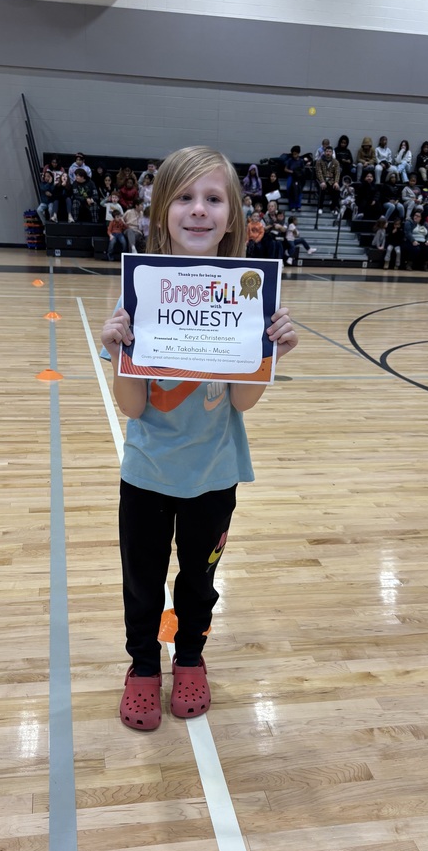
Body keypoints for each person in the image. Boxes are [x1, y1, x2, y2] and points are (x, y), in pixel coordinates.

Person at [100, 145, 298, 730]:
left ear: (232, 216)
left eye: (213, 198)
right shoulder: (139, 294)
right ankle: (143, 666)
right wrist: (117, 350)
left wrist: (268, 355)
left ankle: (189, 657)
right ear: (163, 210)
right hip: (147, 473)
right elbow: (133, 407)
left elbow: (240, 403)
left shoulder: (249, 296)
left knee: (199, 580)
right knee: (142, 583)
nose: (198, 210)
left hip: (214, 474)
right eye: (184, 197)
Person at [315, 145, 341, 213]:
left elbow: (337, 172)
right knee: (322, 188)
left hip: (331, 180)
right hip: (322, 179)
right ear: (324, 152)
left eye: (330, 151)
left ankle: (334, 208)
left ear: (332, 153)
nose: (328, 153)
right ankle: (320, 207)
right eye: (327, 151)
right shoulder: (319, 161)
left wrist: (336, 182)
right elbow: (318, 172)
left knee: (336, 189)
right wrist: (322, 181)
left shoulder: (336, 162)